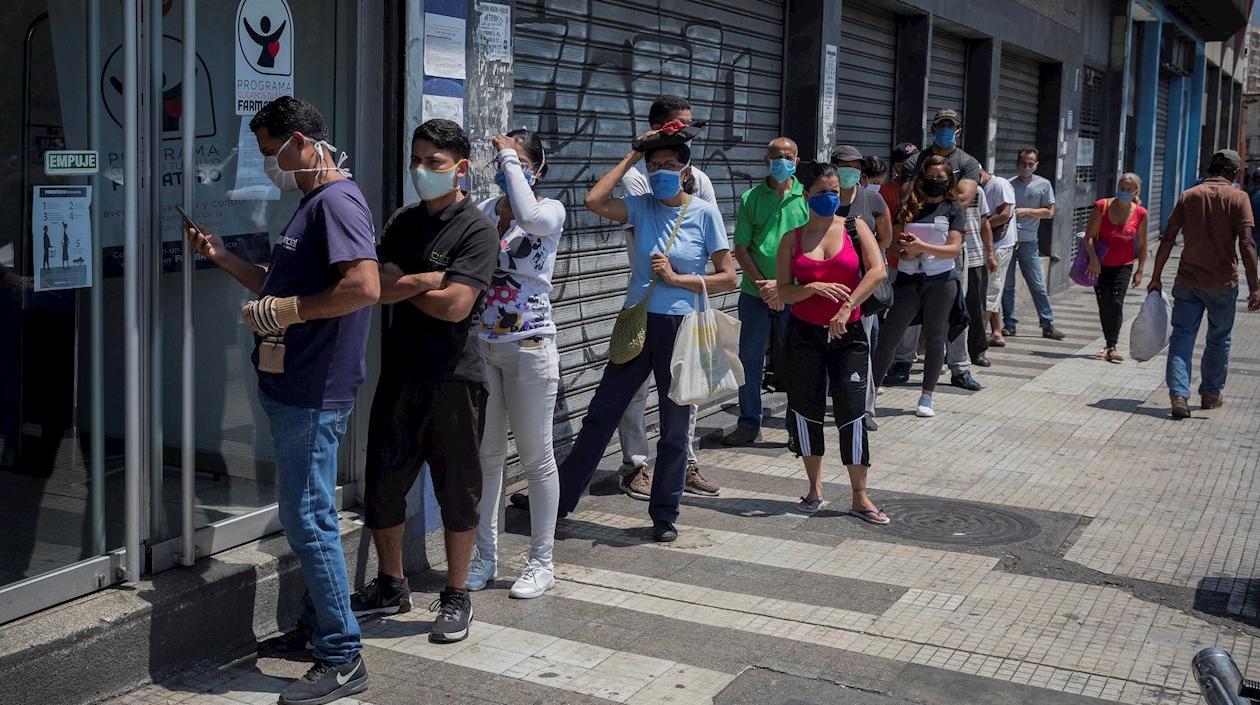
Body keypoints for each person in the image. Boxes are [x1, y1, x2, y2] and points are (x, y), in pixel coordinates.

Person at [184, 96, 379, 705]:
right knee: (309, 513)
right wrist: (220, 257)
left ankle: (343, 657)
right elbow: (279, 285)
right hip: (295, 384)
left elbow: (364, 287)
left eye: (272, 153)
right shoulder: (311, 204)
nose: (270, 165)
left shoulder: (337, 202)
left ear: (300, 142)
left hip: (315, 389)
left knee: (308, 518)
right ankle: (319, 626)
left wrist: (289, 311)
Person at [352, 119, 498, 645]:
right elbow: (373, 286)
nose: (422, 171)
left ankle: (456, 594)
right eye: (417, 160)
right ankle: (391, 583)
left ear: (460, 168)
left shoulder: (477, 229)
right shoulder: (402, 221)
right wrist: (424, 281)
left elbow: (456, 306)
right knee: (384, 484)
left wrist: (401, 284)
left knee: (457, 491)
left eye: (433, 163)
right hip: (400, 373)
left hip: (455, 379)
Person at [558, 127, 736, 542]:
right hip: (637, 323)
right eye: (654, 166)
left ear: (686, 170)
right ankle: (561, 499)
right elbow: (593, 201)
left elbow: (728, 276)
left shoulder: (704, 213)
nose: (660, 173)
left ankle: (664, 513)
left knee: (675, 425)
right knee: (602, 413)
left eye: (669, 166)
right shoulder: (640, 206)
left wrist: (679, 278)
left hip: (681, 326)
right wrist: (631, 155)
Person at [465, 129, 564, 599]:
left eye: (518, 160)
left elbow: (526, 213)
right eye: (503, 159)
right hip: (485, 346)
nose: (507, 167)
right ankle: (485, 556)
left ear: (536, 168)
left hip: (531, 349)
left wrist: (508, 158)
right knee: (486, 457)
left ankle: (542, 562)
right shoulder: (485, 210)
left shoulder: (549, 211)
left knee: (536, 457)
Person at [617, 95, 720, 499]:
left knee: (686, 387)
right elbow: (644, 215)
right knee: (636, 388)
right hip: (645, 299)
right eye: (679, 126)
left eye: (690, 125)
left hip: (686, 300)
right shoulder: (639, 177)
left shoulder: (701, 178)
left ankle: (685, 462)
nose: (688, 131)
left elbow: (707, 232)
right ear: (658, 128)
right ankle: (636, 465)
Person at [775, 161, 888, 522]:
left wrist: (847, 307)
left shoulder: (855, 228)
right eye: (823, 192)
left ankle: (860, 497)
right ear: (806, 195)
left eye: (835, 192)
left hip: (848, 334)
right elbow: (783, 292)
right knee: (806, 410)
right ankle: (814, 489)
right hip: (803, 336)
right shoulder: (791, 238)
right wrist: (810, 288)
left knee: (852, 413)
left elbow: (877, 270)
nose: (830, 198)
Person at [1149, 149, 1260, 419]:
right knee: (1219, 339)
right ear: (1234, 173)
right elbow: (1246, 243)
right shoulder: (1239, 197)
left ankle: (1178, 394)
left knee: (1182, 337)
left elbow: (1168, 237)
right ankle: (1210, 394)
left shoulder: (1189, 195)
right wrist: (1255, 285)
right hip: (1222, 282)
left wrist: (1156, 276)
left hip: (1187, 280)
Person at [721, 137, 809, 447]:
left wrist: (784, 287)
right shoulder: (751, 198)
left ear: (796, 161)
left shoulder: (807, 198)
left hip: (794, 295)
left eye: (787, 157)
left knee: (795, 361)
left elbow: (811, 249)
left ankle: (796, 429)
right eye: (775, 157)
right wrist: (764, 284)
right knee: (749, 360)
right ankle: (748, 423)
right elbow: (742, 248)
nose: (781, 162)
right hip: (754, 295)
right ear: (765, 161)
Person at [871, 155, 965, 418]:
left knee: (936, 338)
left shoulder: (953, 208)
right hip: (908, 279)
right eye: (931, 176)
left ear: (948, 181)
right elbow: (889, 240)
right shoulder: (908, 205)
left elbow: (954, 249)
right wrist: (904, 251)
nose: (935, 181)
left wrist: (922, 247)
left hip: (940, 281)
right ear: (922, 178)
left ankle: (927, 396)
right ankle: (870, 392)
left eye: (941, 178)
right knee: (890, 336)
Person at [830, 145, 893, 430]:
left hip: (861, 289)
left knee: (861, 345)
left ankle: (865, 409)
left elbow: (885, 240)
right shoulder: (823, 198)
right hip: (827, 284)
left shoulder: (872, 200)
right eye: (844, 165)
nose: (849, 171)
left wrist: (866, 261)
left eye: (855, 167)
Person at [1084, 173, 1148, 363]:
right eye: (1122, 188)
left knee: (1116, 302)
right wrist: (1094, 259)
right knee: (1104, 303)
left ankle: (1112, 346)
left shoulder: (1140, 213)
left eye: (1129, 190)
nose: (1124, 192)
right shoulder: (1101, 206)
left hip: (1124, 265)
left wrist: (1140, 270)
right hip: (1099, 265)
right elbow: (1088, 237)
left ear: (1135, 191)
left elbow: (1143, 245)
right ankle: (1108, 343)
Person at [1002, 148, 1065, 340]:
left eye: (1031, 164)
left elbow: (1049, 212)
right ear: (1017, 164)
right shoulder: (1008, 185)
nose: (1027, 167)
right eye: (1023, 164)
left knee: (1037, 284)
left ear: (1036, 165)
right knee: (1007, 286)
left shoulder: (1043, 185)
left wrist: (1028, 211)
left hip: (1029, 242)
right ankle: (1009, 324)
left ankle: (1047, 324)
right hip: (1008, 241)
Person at [944, 185, 992, 389]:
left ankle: (976, 352)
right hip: (941, 258)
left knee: (972, 308)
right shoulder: (931, 190)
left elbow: (984, 223)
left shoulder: (977, 192)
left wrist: (990, 252)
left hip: (972, 256)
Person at [981, 169, 1017, 348]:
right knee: (996, 288)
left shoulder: (999, 185)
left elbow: (1005, 214)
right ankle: (996, 333)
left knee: (990, 290)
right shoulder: (986, 187)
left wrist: (983, 225)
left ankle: (978, 340)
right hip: (994, 246)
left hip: (999, 247)